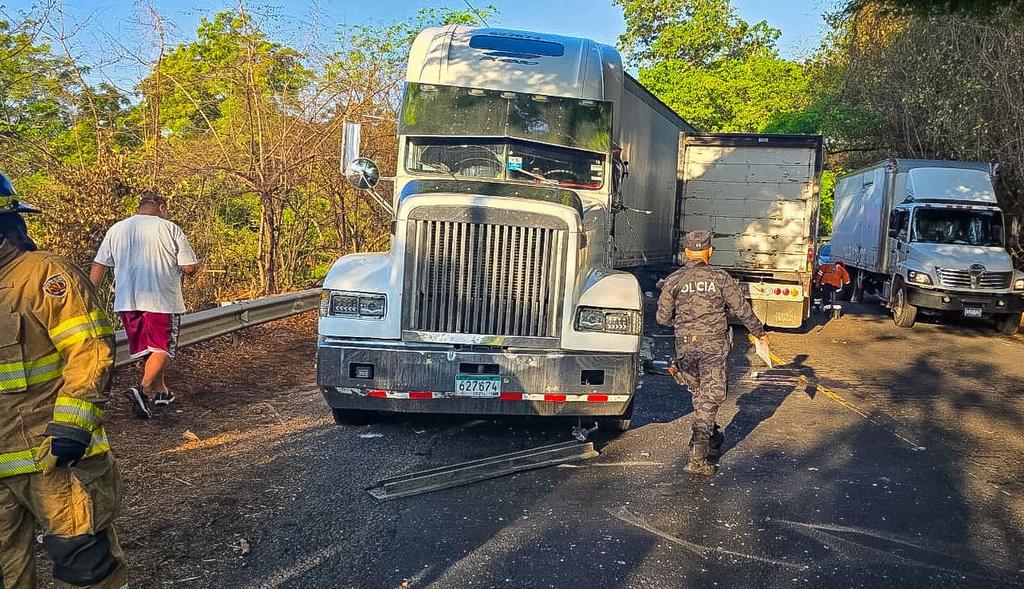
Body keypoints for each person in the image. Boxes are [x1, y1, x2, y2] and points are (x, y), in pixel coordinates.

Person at [0, 172, 128, 587]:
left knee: (86, 567)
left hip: (54, 459)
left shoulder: (45, 276)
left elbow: (90, 351)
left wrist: (72, 427)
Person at [656, 230, 770, 476]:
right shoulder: (720, 277)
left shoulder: (673, 280)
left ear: (686, 252)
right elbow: (742, 308)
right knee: (712, 394)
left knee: (700, 391)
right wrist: (759, 332)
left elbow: (662, 318)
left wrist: (683, 320)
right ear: (710, 251)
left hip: (685, 345)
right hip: (713, 345)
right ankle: (697, 455)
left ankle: (712, 436)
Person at [90, 192, 198, 418]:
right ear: (162, 208)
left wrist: (90, 294)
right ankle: (143, 390)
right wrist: (189, 271)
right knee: (162, 348)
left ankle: (162, 391)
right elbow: (189, 266)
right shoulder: (170, 228)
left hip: (127, 300)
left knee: (147, 349)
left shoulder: (117, 229)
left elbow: (99, 264)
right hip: (162, 300)